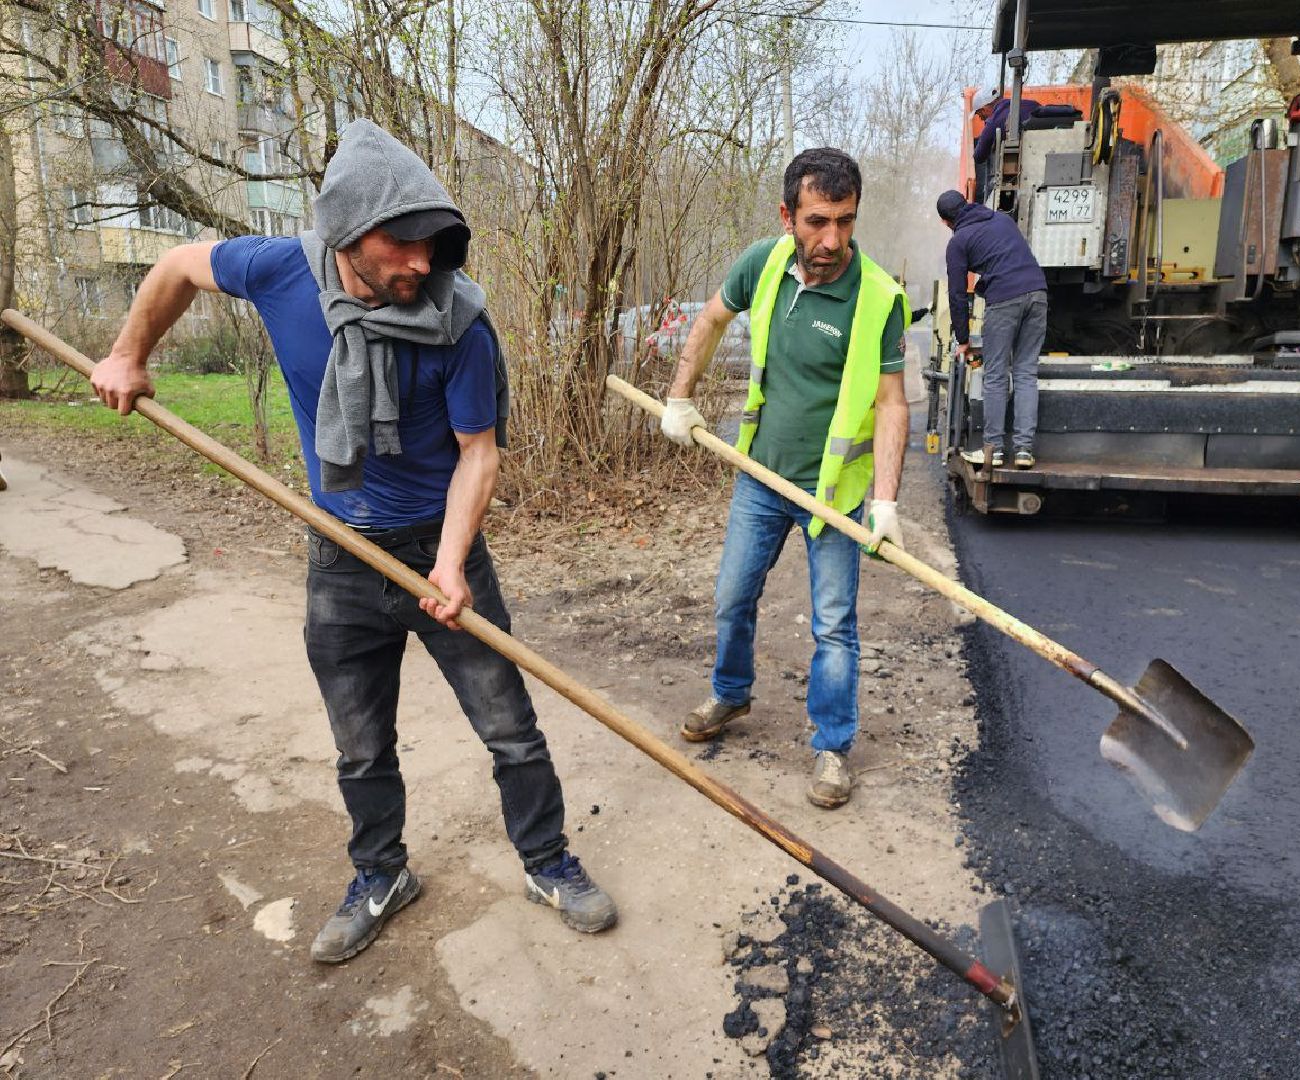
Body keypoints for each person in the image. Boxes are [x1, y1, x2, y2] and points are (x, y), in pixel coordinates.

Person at [89, 119, 617, 962]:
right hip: (338, 553)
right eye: (401, 244)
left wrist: (451, 564)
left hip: (438, 550)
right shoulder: (279, 272)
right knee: (361, 745)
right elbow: (179, 263)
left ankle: (548, 860)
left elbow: (479, 455)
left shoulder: (460, 324)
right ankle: (381, 875)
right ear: (346, 234)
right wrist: (128, 353)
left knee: (509, 727)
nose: (422, 262)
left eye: (433, 244)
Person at [660, 148, 910, 810]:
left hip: (833, 496)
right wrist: (679, 396)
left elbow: (892, 403)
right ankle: (731, 692)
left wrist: (885, 502)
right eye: (818, 221)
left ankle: (832, 745)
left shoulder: (878, 297)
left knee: (834, 624)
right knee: (732, 597)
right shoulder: (763, 265)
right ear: (787, 216)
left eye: (846, 221)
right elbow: (712, 319)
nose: (832, 239)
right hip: (760, 477)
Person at [937, 187, 1048, 469]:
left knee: (996, 375)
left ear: (945, 222)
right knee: (1026, 373)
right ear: (966, 204)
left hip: (1004, 300)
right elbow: (1012, 257)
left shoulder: (958, 241)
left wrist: (963, 339)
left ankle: (994, 450)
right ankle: (1023, 451)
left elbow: (957, 294)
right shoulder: (1001, 219)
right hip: (1038, 293)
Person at [972, 93, 1040, 201]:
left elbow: (979, 156)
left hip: (1023, 173)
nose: (980, 118)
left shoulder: (993, 122)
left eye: (979, 114)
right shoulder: (1032, 104)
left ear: (984, 108)